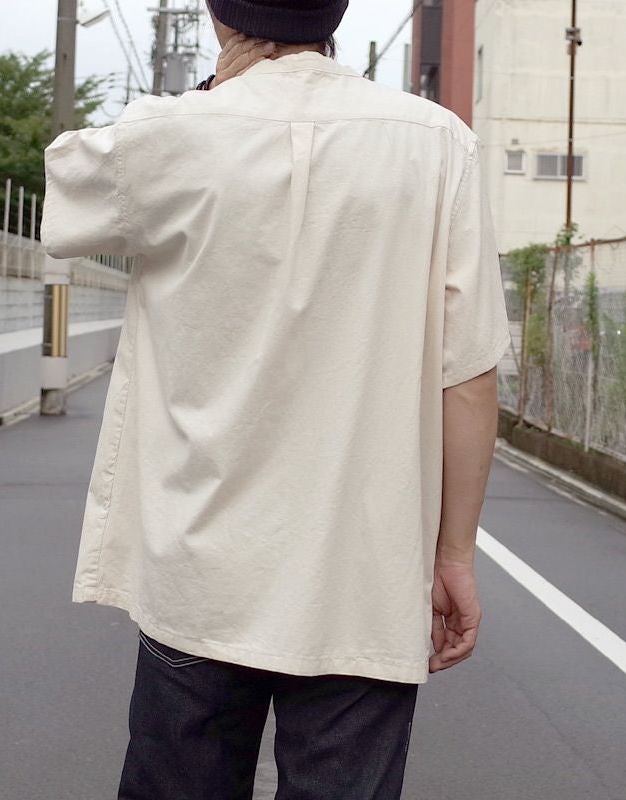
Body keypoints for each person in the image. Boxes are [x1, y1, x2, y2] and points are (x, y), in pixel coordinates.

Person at [40, 0, 511, 797]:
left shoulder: (171, 135)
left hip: (197, 563)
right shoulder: (438, 144)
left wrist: (211, 93)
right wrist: (453, 556)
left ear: (219, 15)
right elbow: (468, 376)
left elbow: (66, 187)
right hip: (364, 572)